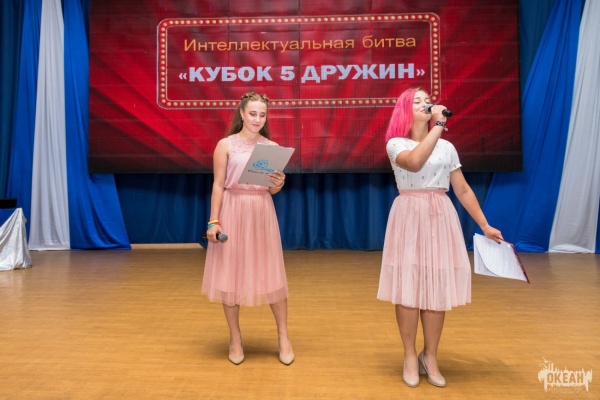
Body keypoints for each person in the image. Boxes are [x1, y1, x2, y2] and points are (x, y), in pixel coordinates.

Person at [377, 87, 503, 388]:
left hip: (439, 215)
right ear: (405, 110)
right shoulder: (396, 143)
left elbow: (462, 189)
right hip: (409, 214)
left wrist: (485, 225)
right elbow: (414, 162)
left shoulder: (446, 147)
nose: (425, 104)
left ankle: (430, 356)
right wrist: (439, 125)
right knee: (408, 287)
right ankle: (410, 355)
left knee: (436, 286)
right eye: (417, 101)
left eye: (427, 100)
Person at [201, 91, 294, 366]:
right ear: (241, 113)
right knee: (230, 275)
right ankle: (235, 338)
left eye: (262, 114)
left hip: (261, 210)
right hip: (233, 209)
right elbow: (218, 185)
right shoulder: (225, 145)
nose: (257, 119)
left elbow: (273, 190)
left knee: (272, 273)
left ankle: (284, 336)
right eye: (252, 113)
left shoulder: (272, 147)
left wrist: (279, 182)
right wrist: (213, 221)